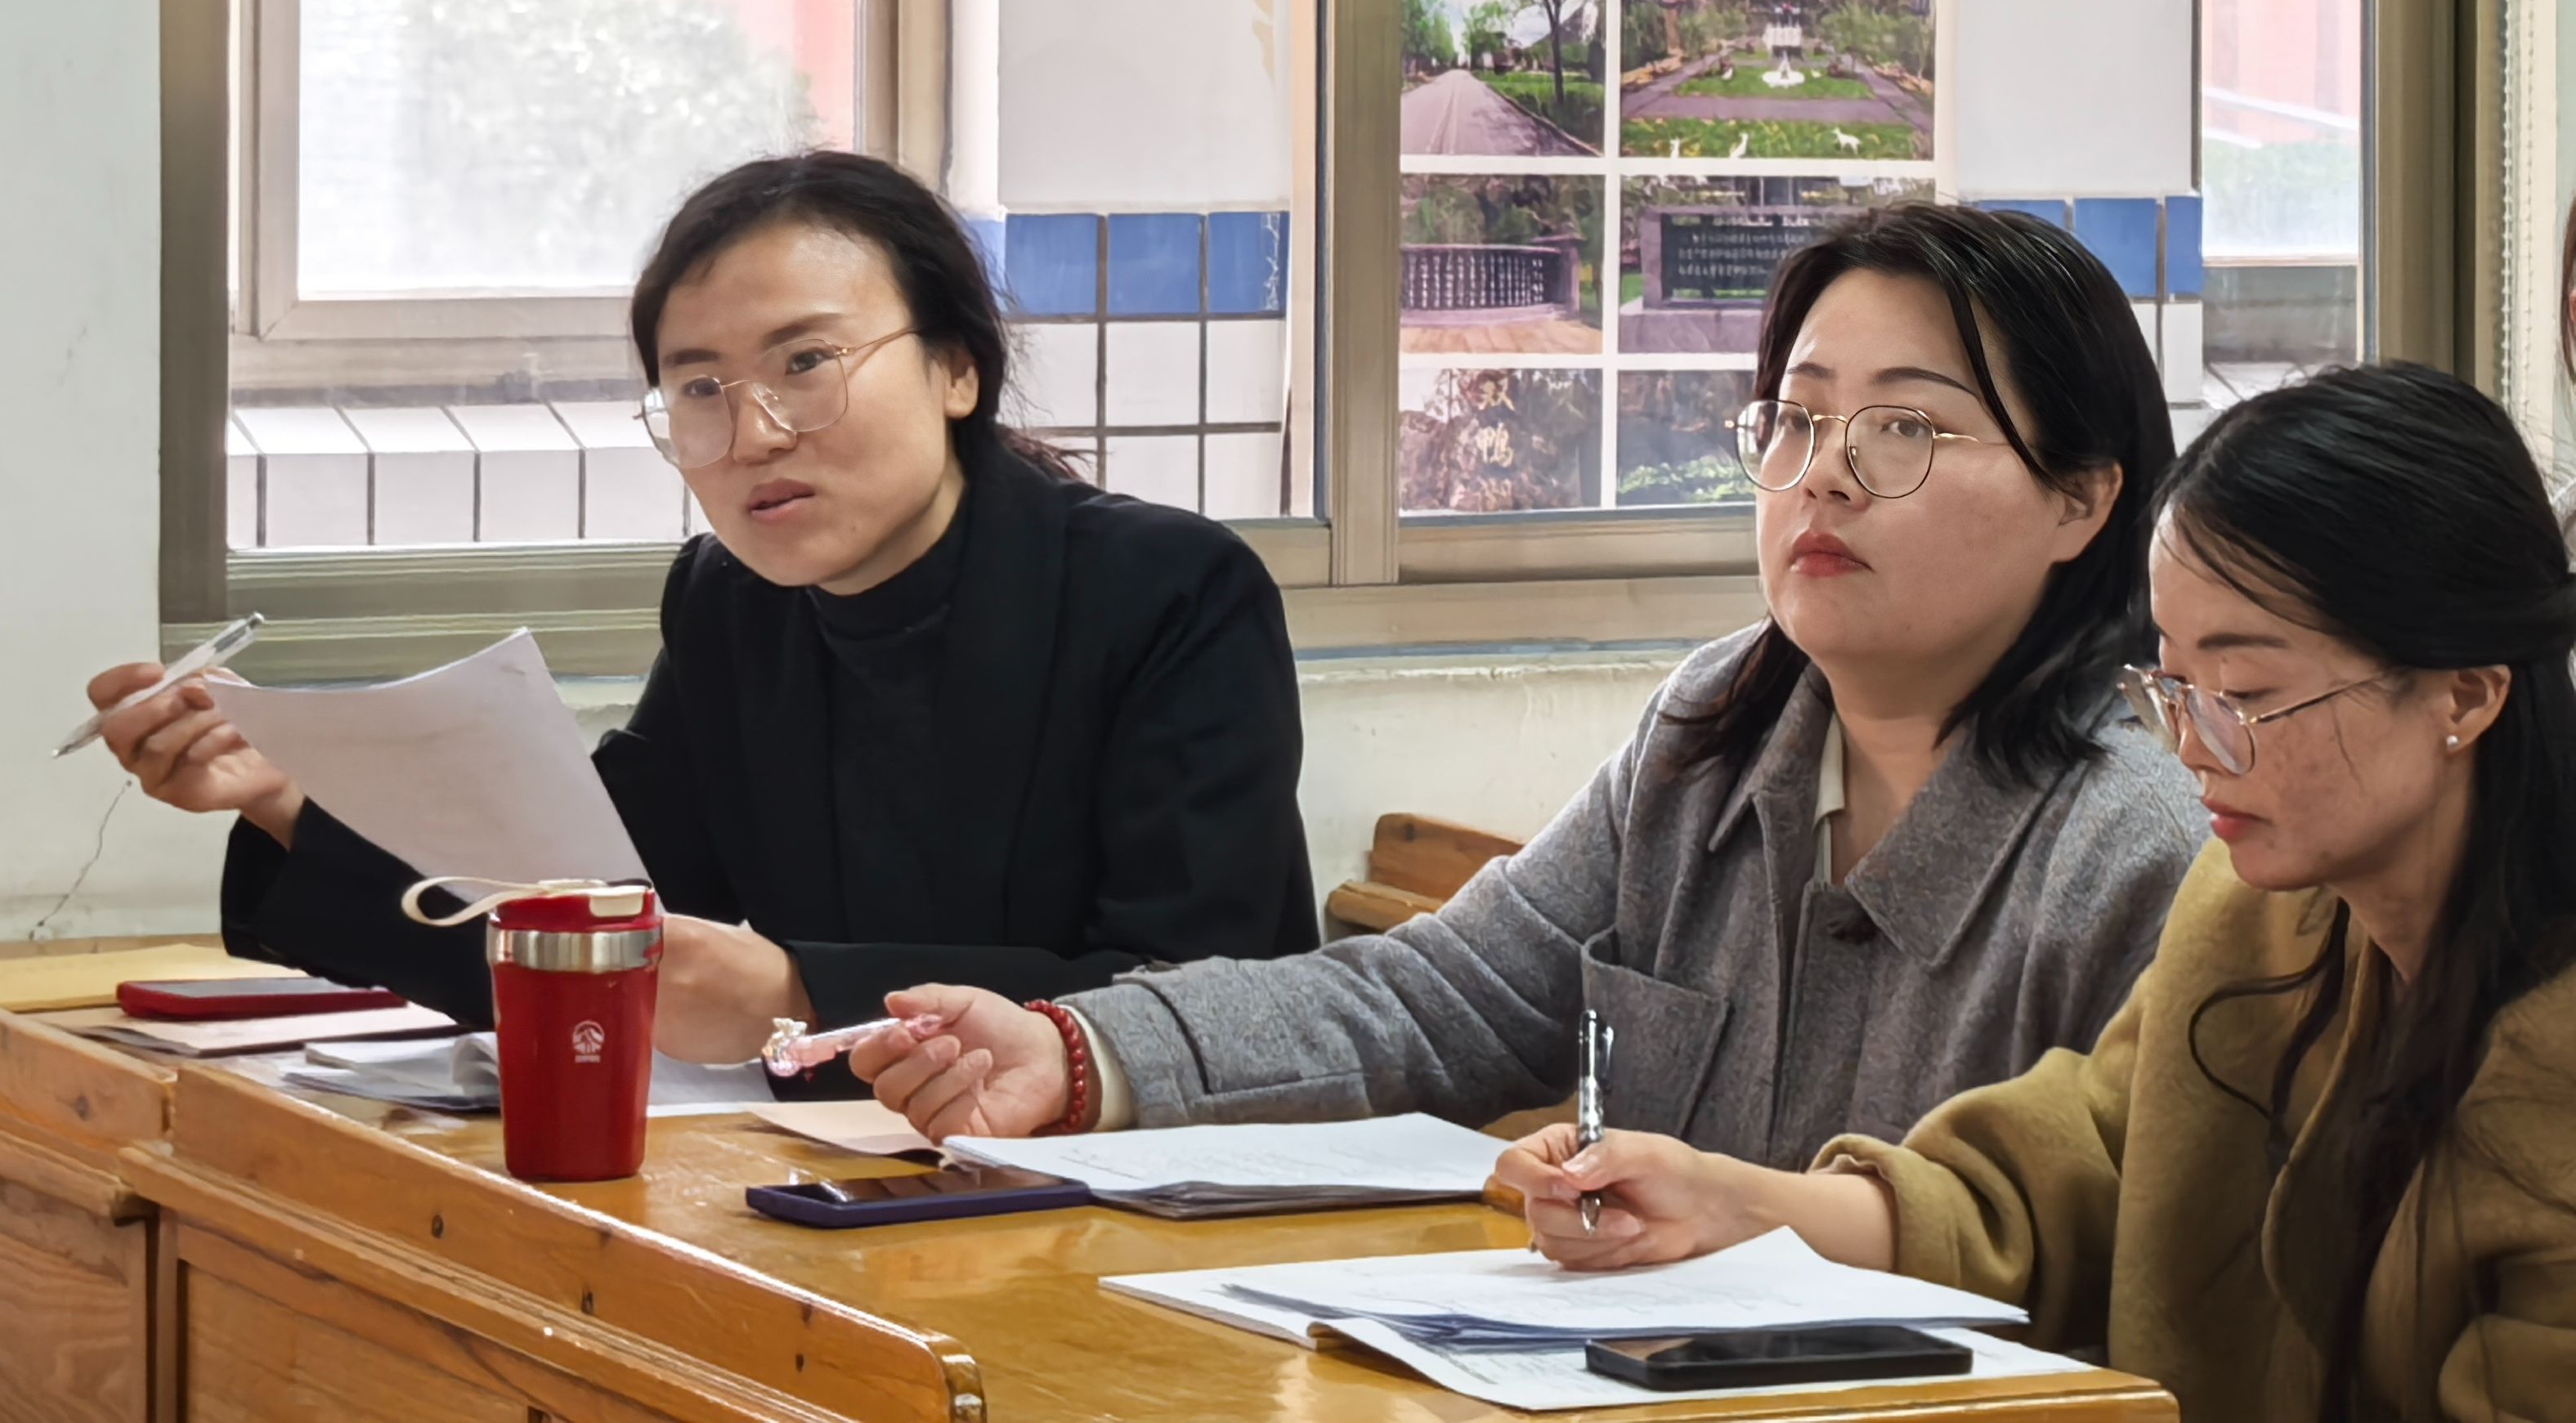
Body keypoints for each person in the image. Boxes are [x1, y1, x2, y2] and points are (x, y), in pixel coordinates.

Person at [853, 202, 2207, 1168]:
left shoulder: (2148, 843)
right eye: (1796, 419)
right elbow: (1439, 998)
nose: (1824, 476)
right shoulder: (1717, 730)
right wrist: (1080, 1054)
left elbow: (2117, 1258)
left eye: (1904, 427)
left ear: (2082, 498)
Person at [1497, 360, 2576, 1423]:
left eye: (2247, 694)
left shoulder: (2551, 1063)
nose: (2193, 750)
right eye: (2174, 687)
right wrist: (1728, 1204)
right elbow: (2073, 1173)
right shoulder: (2258, 912)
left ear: (2464, 696)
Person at [81, 150, 1316, 1063]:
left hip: (1144, 1189)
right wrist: (285, 797)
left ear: (956, 368)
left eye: (806, 363)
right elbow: (582, 915)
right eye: (699, 389)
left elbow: (1205, 999)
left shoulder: (1169, 591)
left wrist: (799, 992)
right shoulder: (733, 603)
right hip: (838, 1169)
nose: (753, 433)